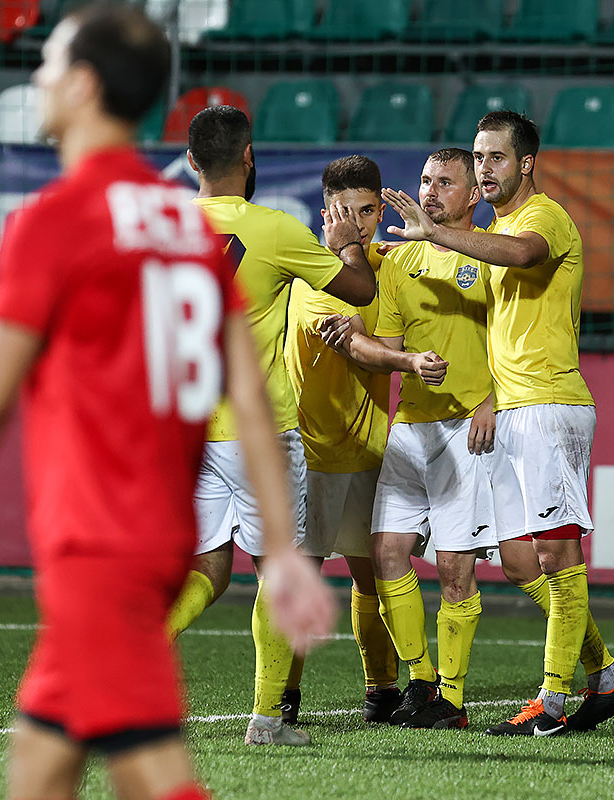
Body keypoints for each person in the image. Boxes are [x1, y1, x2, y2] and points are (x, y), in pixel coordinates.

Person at [0, 7, 335, 800]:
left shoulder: (57, 220)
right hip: (152, 530)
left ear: (83, 86)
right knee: (41, 760)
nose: (39, 77)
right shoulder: (183, 230)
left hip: (96, 538)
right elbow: (251, 397)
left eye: (50, 62)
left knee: (152, 772)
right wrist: (285, 553)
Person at [379, 111, 614, 737]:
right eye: (479, 157)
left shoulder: (543, 218)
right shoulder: (491, 231)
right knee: (523, 563)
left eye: (496, 157)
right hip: (515, 411)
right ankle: (606, 679)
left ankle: (552, 703)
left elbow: (523, 255)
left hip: (551, 406)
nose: (486, 168)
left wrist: (438, 237)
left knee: (557, 553)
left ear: (526, 163)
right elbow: (489, 292)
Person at [164, 106, 377, 746]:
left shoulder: (162, 229)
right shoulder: (275, 229)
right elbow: (360, 291)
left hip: (188, 428)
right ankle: (266, 718)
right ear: (249, 157)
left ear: (191, 161)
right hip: (259, 431)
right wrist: (348, 243)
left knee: (207, 563)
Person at [319, 148, 495, 730]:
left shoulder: (491, 255)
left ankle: (453, 697)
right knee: (386, 553)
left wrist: (492, 400)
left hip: (467, 427)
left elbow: (515, 338)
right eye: (424, 180)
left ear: (473, 194)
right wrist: (370, 346)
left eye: (445, 182)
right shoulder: (399, 261)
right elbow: (389, 345)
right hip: (411, 425)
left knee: (459, 568)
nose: (430, 191)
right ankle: (419, 679)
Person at [281, 155, 401, 724]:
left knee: (372, 573)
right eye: (345, 212)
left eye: (367, 211)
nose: (357, 224)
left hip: (369, 449)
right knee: (300, 575)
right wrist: (404, 355)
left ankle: (382, 688)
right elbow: (356, 346)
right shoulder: (316, 272)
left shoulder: (389, 267)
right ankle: (282, 692)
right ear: (326, 213)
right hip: (312, 452)